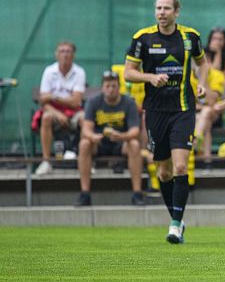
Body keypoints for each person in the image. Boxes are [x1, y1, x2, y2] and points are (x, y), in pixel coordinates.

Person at [124, 0, 208, 244]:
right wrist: (150, 78)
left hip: (183, 109)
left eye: (166, 8)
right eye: (158, 8)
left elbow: (202, 64)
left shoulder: (190, 37)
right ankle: (178, 220)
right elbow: (128, 72)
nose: (161, 12)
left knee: (181, 166)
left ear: (176, 12)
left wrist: (201, 84)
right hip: (156, 111)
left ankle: (173, 225)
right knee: (163, 172)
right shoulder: (143, 38)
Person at [74, 71, 144, 206]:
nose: (110, 89)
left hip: (121, 142)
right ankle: (85, 194)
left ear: (119, 87)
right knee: (84, 144)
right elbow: (86, 129)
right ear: (102, 87)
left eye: (114, 86)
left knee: (134, 145)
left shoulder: (128, 102)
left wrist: (121, 136)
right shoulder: (93, 102)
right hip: (99, 142)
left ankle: (137, 194)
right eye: (107, 86)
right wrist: (93, 136)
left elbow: (135, 130)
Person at [35, 42, 86, 175]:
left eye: (68, 51)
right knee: (46, 117)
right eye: (62, 51)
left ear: (73, 55)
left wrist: (54, 96)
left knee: (85, 120)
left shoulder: (79, 72)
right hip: (54, 112)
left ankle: (85, 160)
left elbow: (76, 102)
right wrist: (58, 112)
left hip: (75, 112)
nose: (65, 54)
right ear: (57, 54)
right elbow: (43, 101)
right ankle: (46, 161)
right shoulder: (49, 71)